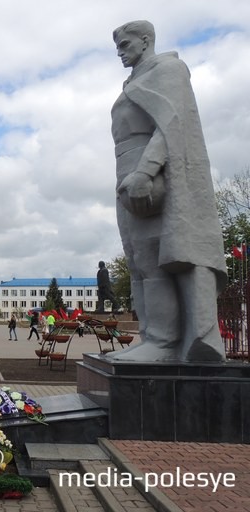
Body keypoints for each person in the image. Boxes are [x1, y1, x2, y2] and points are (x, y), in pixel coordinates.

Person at [110, 20, 227, 362]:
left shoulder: (169, 70)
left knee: (157, 256)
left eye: (125, 44)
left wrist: (146, 170)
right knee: (139, 260)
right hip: (125, 172)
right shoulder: (132, 82)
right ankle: (151, 337)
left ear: (146, 41)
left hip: (155, 173)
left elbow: (173, 123)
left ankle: (163, 342)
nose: (120, 52)